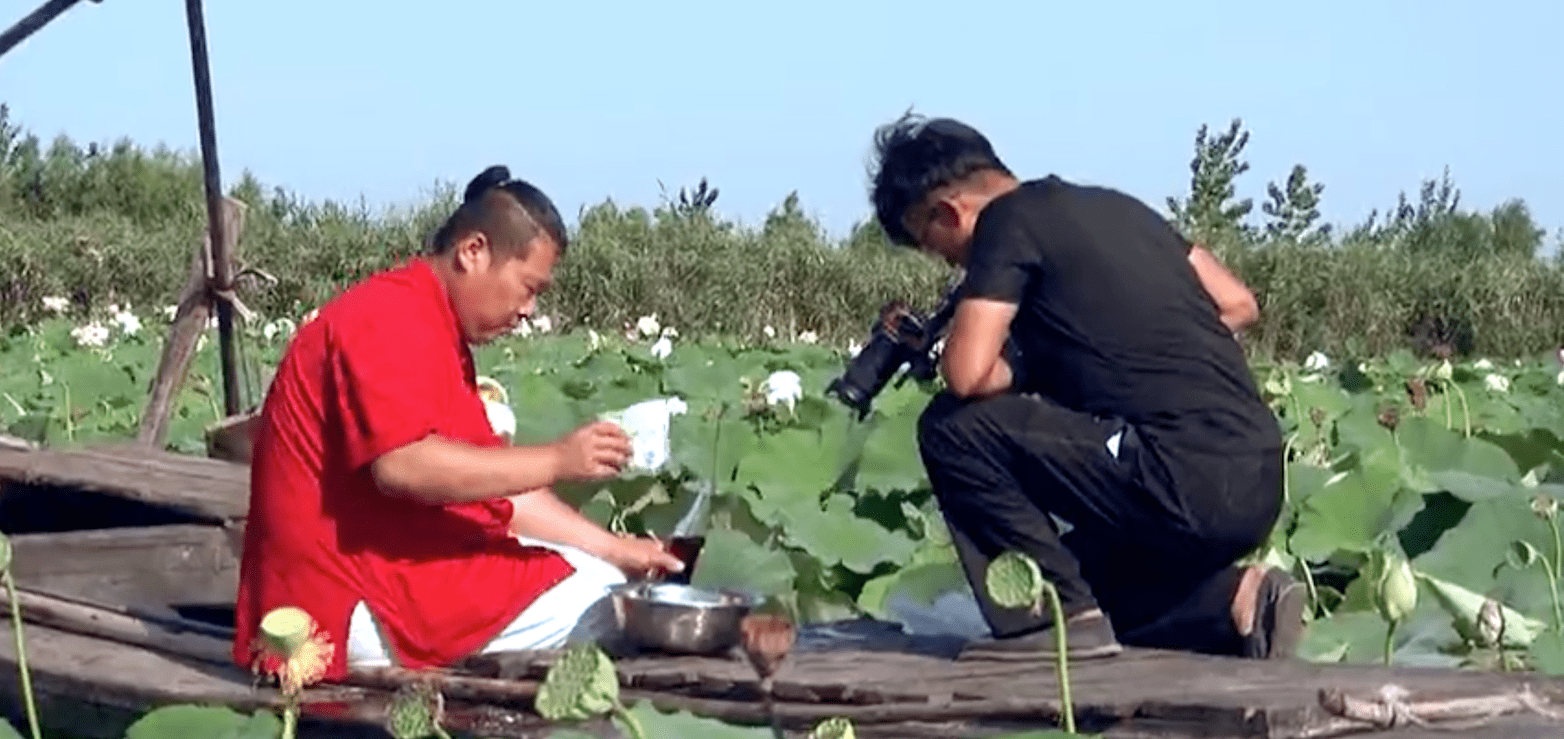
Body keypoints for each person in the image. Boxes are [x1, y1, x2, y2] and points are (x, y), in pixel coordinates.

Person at [865, 113, 1300, 661]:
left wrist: (1005, 354)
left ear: (948, 212)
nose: (953, 264)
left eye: (941, 249)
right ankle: (1236, 602)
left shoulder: (1006, 222)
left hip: (1180, 477)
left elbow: (967, 375)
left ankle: (1047, 630)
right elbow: (1238, 302)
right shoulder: (1122, 209)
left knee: (951, 428)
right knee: (1073, 573)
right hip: (1258, 479)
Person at [232, 165, 684, 680]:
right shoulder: (386, 316)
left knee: (604, 571)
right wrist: (559, 459)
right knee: (610, 603)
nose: (529, 311)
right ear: (474, 251)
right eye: (528, 287)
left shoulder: (432, 324)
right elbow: (402, 466)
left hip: (390, 565)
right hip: (336, 607)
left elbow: (493, 488)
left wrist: (615, 546)